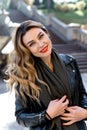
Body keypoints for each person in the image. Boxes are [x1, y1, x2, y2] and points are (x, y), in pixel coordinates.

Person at [6, 20, 87, 130]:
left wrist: (85, 113)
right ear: (27, 49)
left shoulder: (70, 62)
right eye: (32, 44)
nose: (40, 44)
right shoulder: (24, 74)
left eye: (41, 36)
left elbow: (82, 94)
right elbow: (21, 117)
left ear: (47, 33)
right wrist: (46, 115)